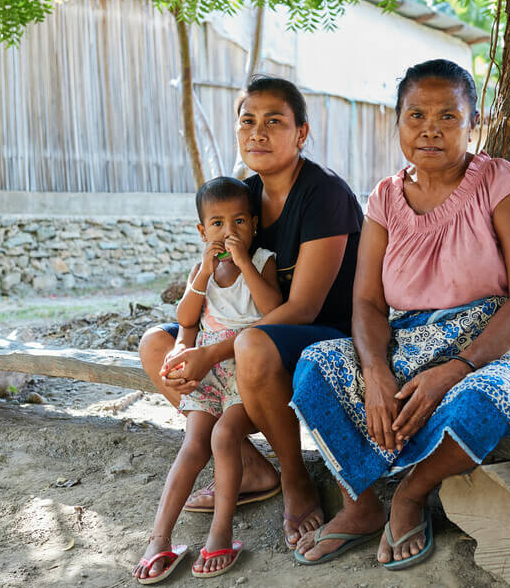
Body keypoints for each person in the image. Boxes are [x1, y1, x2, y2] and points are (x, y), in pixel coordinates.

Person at [289, 59, 510, 570]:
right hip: (414, 340)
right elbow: (368, 302)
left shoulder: (502, 183)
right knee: (316, 365)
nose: (430, 129)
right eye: (415, 115)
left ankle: (411, 495)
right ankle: (360, 504)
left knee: (483, 399)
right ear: (397, 122)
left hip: (509, 345)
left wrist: (455, 370)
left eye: (448, 117)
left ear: (473, 123)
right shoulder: (385, 198)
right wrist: (374, 371)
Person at [137, 75, 363, 555]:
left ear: (301, 133)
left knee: (251, 346)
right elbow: (218, 287)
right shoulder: (241, 194)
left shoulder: (324, 196)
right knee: (155, 344)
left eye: (274, 122)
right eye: (247, 122)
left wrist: (212, 352)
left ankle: (295, 478)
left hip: (325, 333)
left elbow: (300, 308)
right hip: (250, 328)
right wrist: (186, 342)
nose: (257, 133)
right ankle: (251, 468)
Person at [133, 176, 283, 582]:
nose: (229, 233)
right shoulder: (203, 270)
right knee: (193, 442)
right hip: (210, 374)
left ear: (253, 224)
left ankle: (221, 532)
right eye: (217, 225)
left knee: (222, 437)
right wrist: (202, 273)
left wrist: (246, 263)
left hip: (246, 372)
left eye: (238, 222)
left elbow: (273, 309)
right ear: (203, 232)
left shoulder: (264, 260)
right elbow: (185, 319)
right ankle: (159, 538)